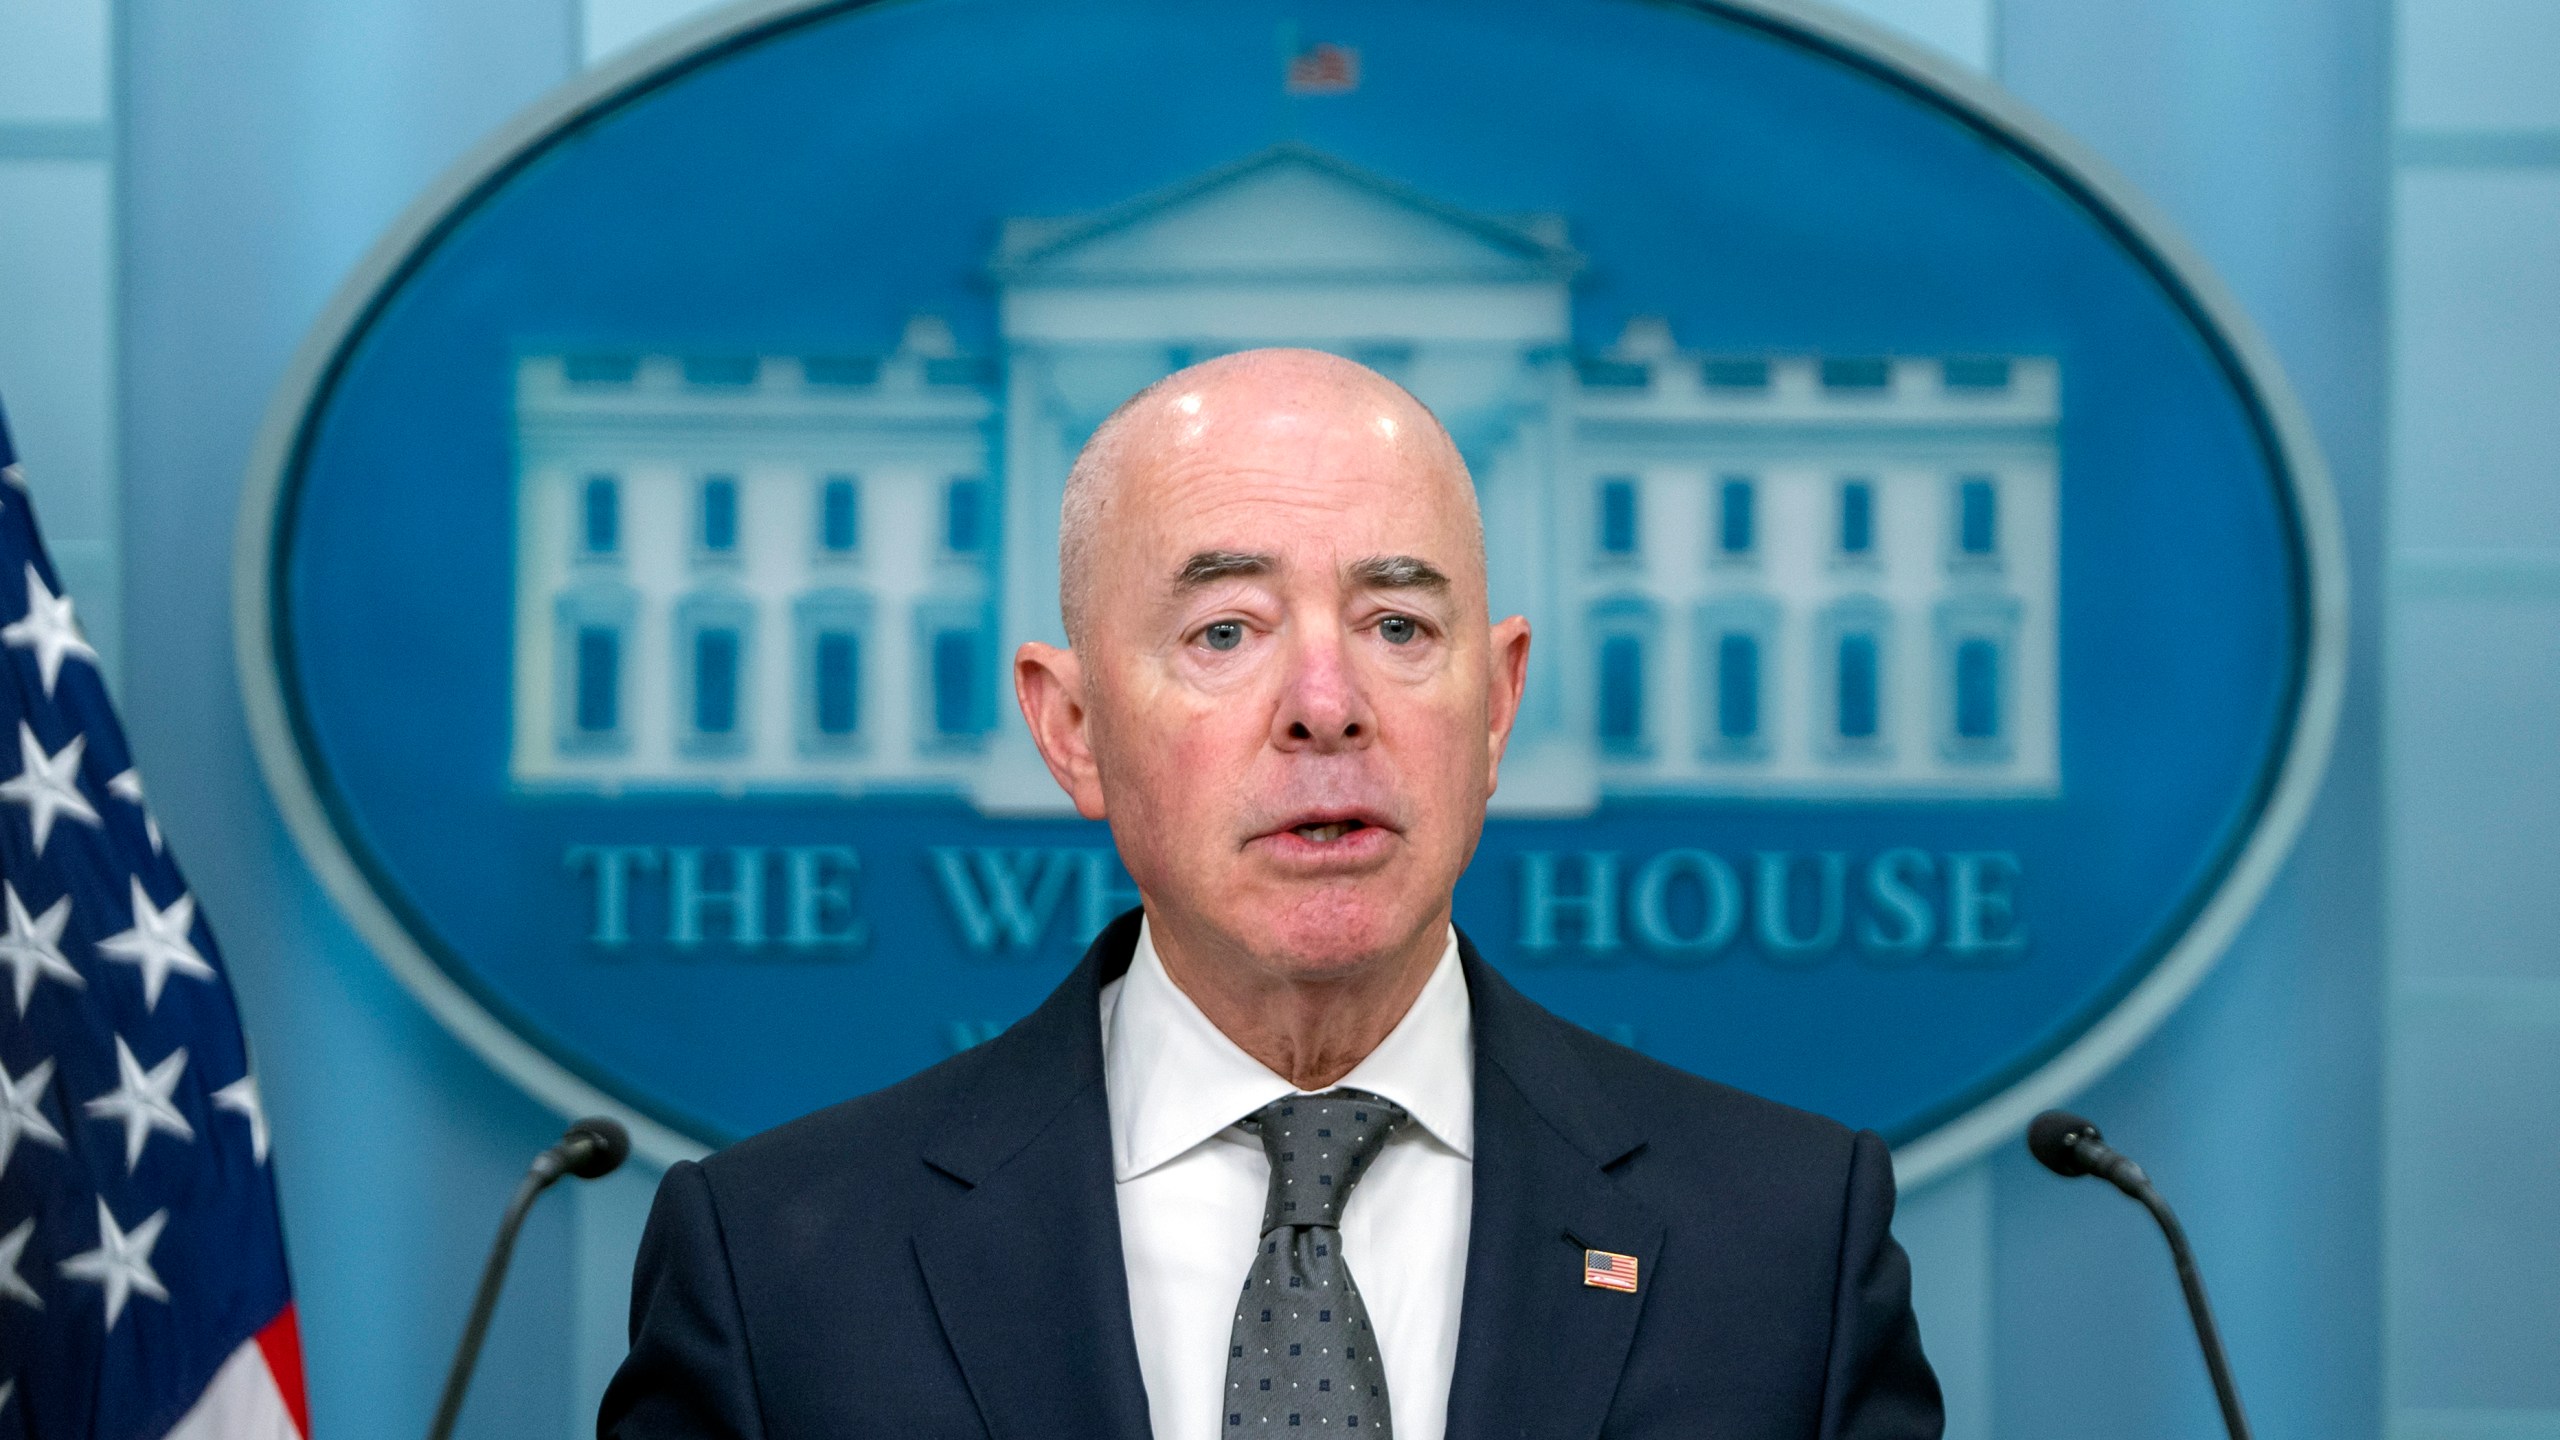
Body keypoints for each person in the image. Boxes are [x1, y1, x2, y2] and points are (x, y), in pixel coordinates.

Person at [599, 350, 1942, 1439]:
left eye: (1400, 629)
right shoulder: (780, 1267)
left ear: (1499, 706)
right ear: (1071, 729)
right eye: (1226, 632)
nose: (1324, 708)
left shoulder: (1783, 1244)